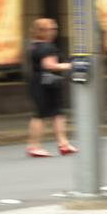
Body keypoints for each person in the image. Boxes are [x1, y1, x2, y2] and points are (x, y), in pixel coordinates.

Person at [25, 18, 77, 158]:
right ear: (42, 31)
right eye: (52, 29)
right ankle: (34, 145)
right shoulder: (47, 47)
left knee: (56, 113)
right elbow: (50, 65)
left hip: (38, 82)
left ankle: (63, 143)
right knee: (41, 115)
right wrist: (72, 66)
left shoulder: (33, 46)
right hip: (47, 83)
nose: (55, 32)